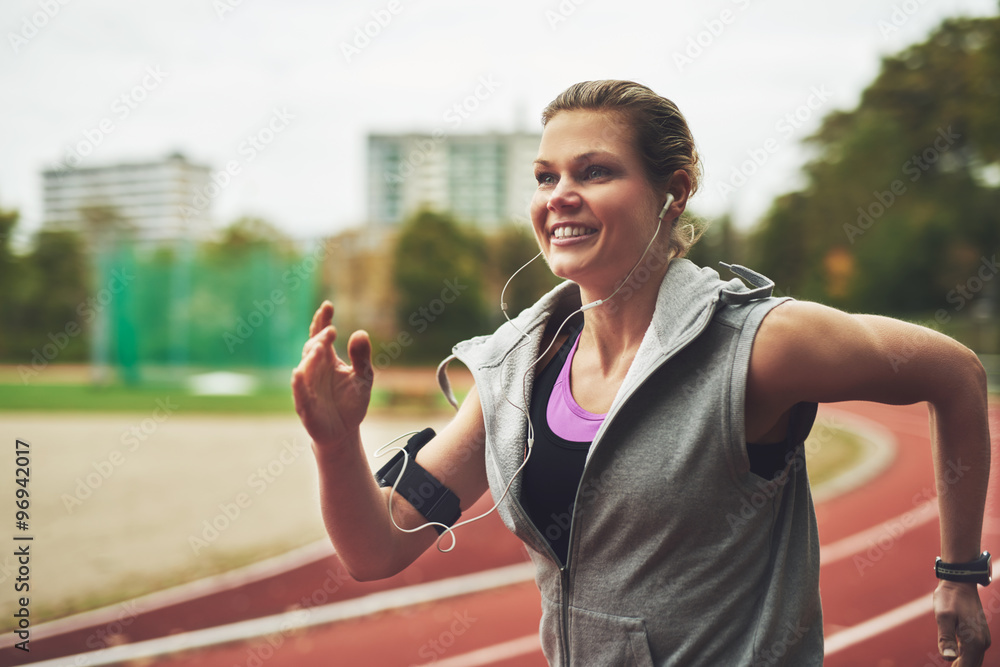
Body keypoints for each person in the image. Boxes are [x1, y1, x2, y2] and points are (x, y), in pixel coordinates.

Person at [291, 80, 992, 665]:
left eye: (594, 171)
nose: (559, 195)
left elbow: (956, 374)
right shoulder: (518, 368)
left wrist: (959, 572)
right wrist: (333, 441)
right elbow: (376, 550)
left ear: (673, 191)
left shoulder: (759, 344)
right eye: (546, 176)